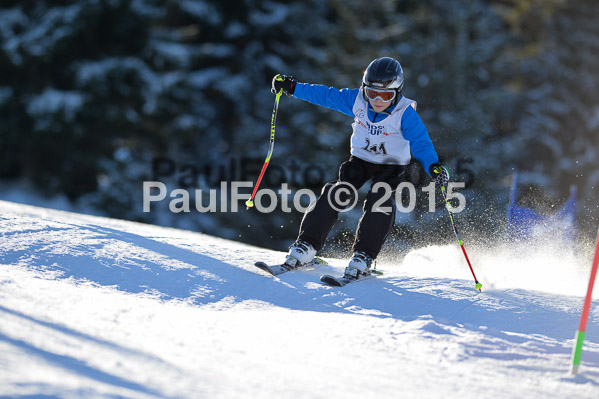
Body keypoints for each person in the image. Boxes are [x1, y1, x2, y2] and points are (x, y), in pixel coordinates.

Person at [271, 57, 449, 279]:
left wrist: (433, 166)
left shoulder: (405, 113)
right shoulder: (356, 100)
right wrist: (293, 88)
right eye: (371, 93)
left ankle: (363, 256)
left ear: (398, 92)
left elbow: (421, 143)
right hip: (360, 161)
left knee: (379, 200)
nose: (376, 100)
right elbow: (326, 95)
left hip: (391, 166)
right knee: (336, 193)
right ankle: (306, 246)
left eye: (385, 95)